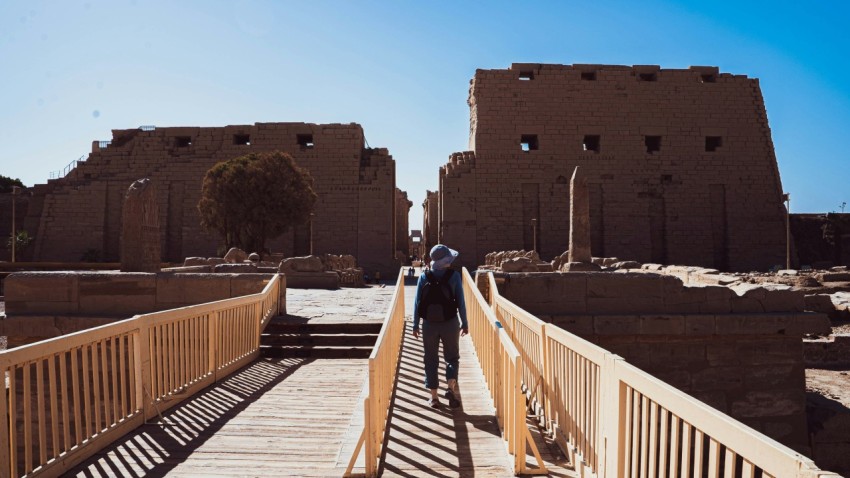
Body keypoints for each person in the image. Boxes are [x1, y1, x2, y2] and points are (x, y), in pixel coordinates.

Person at [412, 244, 468, 408]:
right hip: (450, 322)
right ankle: (450, 387)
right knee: (451, 357)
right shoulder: (454, 276)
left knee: (430, 359)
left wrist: (415, 324)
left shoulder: (424, 276)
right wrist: (465, 323)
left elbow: (417, 303)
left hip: (429, 324)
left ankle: (434, 398)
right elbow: (461, 303)